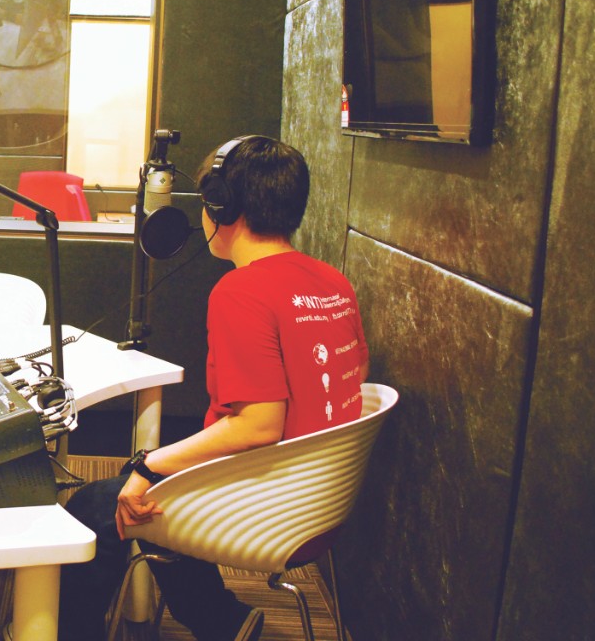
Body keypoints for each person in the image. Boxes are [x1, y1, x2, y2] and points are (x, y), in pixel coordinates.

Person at [58, 136, 369, 640]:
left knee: (98, 505)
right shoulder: (333, 281)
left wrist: (148, 466)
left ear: (222, 207)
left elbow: (258, 424)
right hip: (320, 499)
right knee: (145, 487)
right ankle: (218, 619)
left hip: (265, 501)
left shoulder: (241, 293)